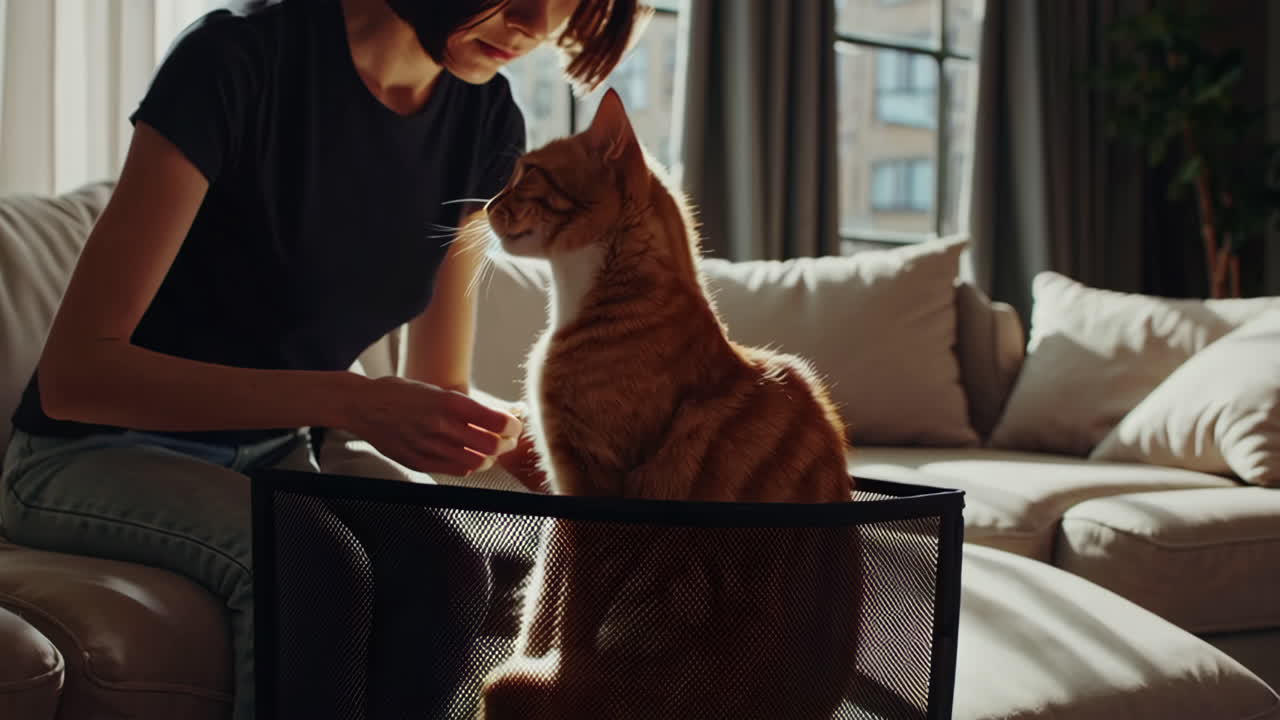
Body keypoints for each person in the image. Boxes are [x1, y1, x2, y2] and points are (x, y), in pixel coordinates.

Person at [0, 0, 644, 717]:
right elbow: (77, 377)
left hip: (280, 451)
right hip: (84, 453)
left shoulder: (484, 121)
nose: (535, 29)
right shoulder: (240, 62)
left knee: (449, 569)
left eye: (566, 11)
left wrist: (524, 435)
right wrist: (350, 400)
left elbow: (439, 383)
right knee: (314, 568)